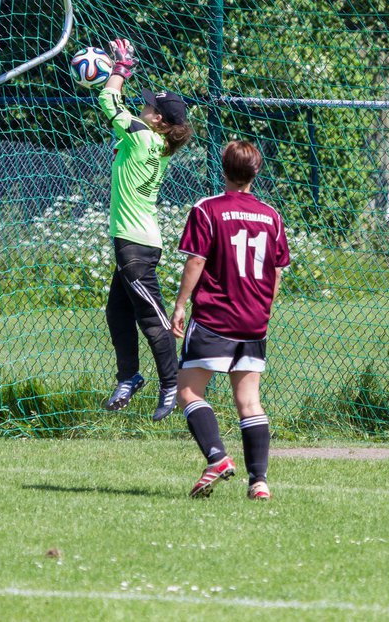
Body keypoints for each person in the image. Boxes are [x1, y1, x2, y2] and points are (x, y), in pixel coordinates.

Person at [171, 140, 290, 500]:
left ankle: (217, 457)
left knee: (188, 390)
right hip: (253, 321)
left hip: (215, 317)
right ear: (256, 172)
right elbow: (277, 270)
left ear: (223, 169)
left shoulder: (207, 209)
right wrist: (265, 309)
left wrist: (180, 304)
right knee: (249, 400)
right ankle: (259, 482)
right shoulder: (271, 215)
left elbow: (196, 260)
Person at [96, 38, 194, 421]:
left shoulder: (140, 137)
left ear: (159, 120)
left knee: (153, 321)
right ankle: (129, 376)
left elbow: (108, 103)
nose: (145, 105)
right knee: (116, 313)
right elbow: (118, 107)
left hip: (135, 248)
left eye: (150, 105)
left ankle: (171, 385)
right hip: (136, 243)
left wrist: (120, 70)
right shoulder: (153, 141)